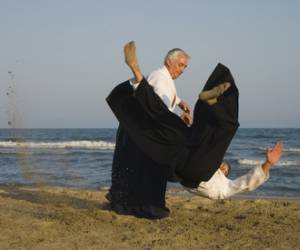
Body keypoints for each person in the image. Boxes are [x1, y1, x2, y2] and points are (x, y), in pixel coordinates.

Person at [108, 42, 192, 219]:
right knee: (146, 171)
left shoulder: (163, 76)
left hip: (141, 132)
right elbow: (154, 108)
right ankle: (147, 207)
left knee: (134, 169)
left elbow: (162, 98)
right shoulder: (161, 78)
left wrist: (179, 101)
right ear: (169, 62)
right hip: (142, 133)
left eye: (185, 66)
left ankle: (125, 203)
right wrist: (178, 122)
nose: (183, 69)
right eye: (180, 64)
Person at [186, 142, 284, 199]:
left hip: (193, 179)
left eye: (225, 170)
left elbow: (246, 183)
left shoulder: (223, 186)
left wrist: (268, 164)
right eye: (223, 165)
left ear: (225, 176)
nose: (223, 168)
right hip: (187, 167)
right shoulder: (210, 161)